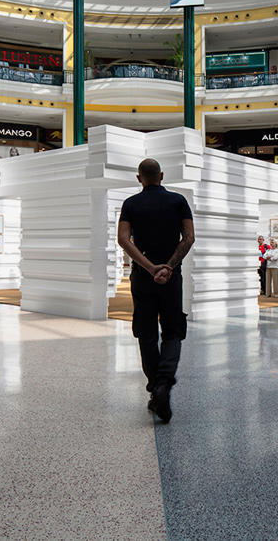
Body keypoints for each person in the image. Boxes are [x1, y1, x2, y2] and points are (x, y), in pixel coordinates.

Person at [117, 158, 194, 424]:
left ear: (139, 178)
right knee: (173, 331)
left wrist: (150, 268)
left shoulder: (130, 204)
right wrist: (168, 267)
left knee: (146, 332)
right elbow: (189, 237)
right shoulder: (178, 201)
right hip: (171, 278)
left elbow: (123, 239)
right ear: (161, 175)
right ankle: (163, 384)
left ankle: (155, 388)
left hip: (142, 277)